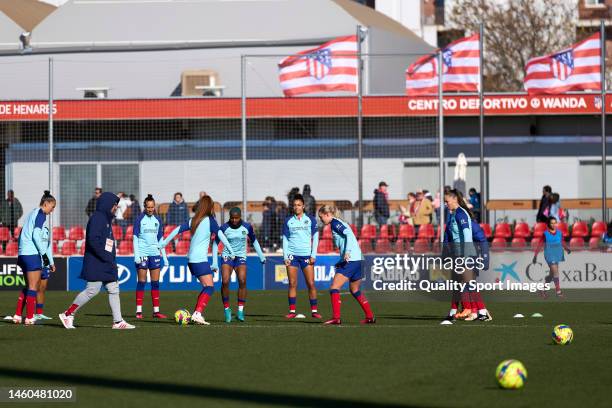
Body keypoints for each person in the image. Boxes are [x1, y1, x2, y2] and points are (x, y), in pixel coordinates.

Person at [59, 192, 135, 329]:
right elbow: (93, 241)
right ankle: (67, 314)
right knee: (92, 290)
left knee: (113, 288)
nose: (116, 208)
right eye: (114, 205)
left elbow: (106, 242)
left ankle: (118, 322)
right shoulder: (98, 218)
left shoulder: (105, 219)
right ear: (107, 204)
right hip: (97, 261)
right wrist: (106, 257)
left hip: (106, 261)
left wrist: (110, 258)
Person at [160, 195, 236, 325]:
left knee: (207, 286)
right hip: (199, 259)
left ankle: (197, 313)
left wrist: (164, 242)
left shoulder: (194, 220)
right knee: (209, 287)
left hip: (191, 260)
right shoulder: (210, 220)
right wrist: (231, 250)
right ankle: (197, 313)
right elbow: (220, 235)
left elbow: (177, 230)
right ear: (209, 207)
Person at [318, 205, 375, 325]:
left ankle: (336, 318)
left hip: (352, 260)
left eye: (321, 217)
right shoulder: (339, 222)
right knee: (354, 290)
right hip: (359, 259)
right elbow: (349, 239)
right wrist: (341, 260)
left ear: (327, 215)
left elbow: (348, 234)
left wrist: (347, 253)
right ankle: (370, 317)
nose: (320, 219)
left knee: (334, 288)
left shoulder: (334, 223)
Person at [443, 189, 491, 322]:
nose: (446, 204)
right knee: (459, 284)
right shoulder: (454, 214)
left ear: (454, 199)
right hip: (459, 254)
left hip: (466, 254)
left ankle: (481, 311)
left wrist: (465, 256)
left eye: (447, 201)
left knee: (469, 283)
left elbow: (467, 234)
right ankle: (455, 312)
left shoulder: (461, 214)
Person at [12, 191, 56, 325]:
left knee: (28, 286)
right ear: (46, 203)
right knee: (33, 287)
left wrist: (49, 260)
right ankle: (30, 317)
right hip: (32, 254)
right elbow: (36, 235)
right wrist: (44, 255)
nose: (52, 210)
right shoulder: (40, 214)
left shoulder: (32, 213)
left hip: (23, 254)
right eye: (52, 206)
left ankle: (18, 315)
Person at [217, 207, 266, 323]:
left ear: (240, 217)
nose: (234, 220)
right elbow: (215, 242)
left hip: (240, 257)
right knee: (225, 281)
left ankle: (240, 311)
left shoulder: (247, 226)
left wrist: (261, 255)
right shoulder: (224, 227)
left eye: (236, 218)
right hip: (227, 256)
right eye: (232, 218)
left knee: (242, 280)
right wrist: (214, 261)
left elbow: (254, 241)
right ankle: (227, 309)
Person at [282, 194, 320, 319]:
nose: (297, 207)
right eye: (295, 205)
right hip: (292, 255)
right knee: (292, 283)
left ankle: (314, 311)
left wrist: (313, 255)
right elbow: (285, 239)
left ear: (303, 206)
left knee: (311, 283)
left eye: (299, 205)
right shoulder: (288, 220)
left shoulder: (311, 219)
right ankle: (292, 311)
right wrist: (285, 256)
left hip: (306, 256)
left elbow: (315, 237)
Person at [133, 194, 168, 319]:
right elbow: (135, 238)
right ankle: (138, 311)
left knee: (155, 283)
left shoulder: (158, 220)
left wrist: (164, 256)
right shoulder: (139, 219)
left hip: (155, 254)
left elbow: (161, 239)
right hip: (142, 254)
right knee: (142, 281)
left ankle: (156, 311)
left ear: (155, 207)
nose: (150, 209)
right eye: (148, 207)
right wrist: (137, 255)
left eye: (152, 207)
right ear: (144, 207)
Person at [533, 216, 570, 298]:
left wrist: (567, 249)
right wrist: (535, 256)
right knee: (556, 272)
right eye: (551, 223)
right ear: (548, 224)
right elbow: (540, 244)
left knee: (552, 274)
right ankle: (558, 292)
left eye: (554, 223)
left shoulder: (559, 233)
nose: (553, 224)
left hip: (557, 253)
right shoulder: (545, 234)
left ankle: (542, 290)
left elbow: (562, 242)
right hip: (549, 254)